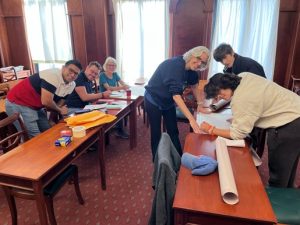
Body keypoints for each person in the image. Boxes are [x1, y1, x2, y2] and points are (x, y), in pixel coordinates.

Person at [200, 72, 300, 188]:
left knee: (279, 173)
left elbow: (237, 135)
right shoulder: (243, 76)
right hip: (296, 110)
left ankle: (276, 203)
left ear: (226, 86)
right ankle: (289, 191)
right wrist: (242, 117)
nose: (220, 98)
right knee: (289, 165)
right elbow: (257, 103)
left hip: (289, 124)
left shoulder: (242, 99)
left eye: (220, 94)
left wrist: (211, 129)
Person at [145, 46, 210, 161]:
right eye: (198, 58)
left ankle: (179, 158)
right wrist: (192, 120)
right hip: (153, 99)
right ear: (192, 54)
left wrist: (200, 103)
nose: (199, 63)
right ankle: (156, 160)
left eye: (202, 62)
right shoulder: (175, 66)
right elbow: (176, 96)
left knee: (173, 130)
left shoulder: (192, 71)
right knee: (156, 132)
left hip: (168, 101)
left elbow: (195, 87)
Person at [5, 60, 82, 138]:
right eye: (70, 70)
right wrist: (60, 110)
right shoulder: (53, 75)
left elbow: (59, 103)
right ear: (63, 68)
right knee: (33, 137)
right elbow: (47, 102)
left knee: (47, 130)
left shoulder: (72, 84)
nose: (72, 75)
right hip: (18, 102)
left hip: (36, 105)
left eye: (76, 74)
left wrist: (51, 119)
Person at [99, 57, 129, 139]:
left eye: (113, 65)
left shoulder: (115, 74)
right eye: (110, 65)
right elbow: (109, 88)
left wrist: (126, 85)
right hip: (104, 98)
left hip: (114, 97)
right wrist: (122, 87)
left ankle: (118, 127)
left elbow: (122, 83)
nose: (112, 67)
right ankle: (119, 130)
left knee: (124, 106)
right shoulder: (102, 75)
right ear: (106, 65)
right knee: (120, 108)